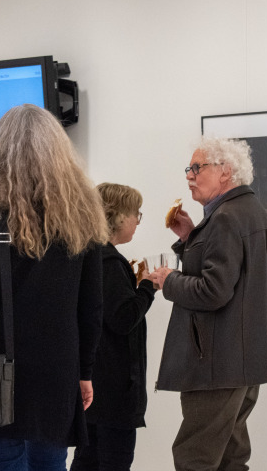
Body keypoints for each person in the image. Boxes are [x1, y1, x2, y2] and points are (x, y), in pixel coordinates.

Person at [0, 104, 109, 471]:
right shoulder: (82, 208)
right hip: (57, 368)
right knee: (50, 463)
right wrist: (84, 370)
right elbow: (91, 304)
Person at [150, 136, 267, 471]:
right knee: (231, 458)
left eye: (197, 167)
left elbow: (213, 291)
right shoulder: (252, 211)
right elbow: (233, 277)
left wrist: (168, 280)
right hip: (243, 362)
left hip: (215, 364)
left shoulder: (225, 217)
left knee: (195, 458)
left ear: (226, 172)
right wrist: (191, 238)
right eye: (188, 169)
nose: (189, 175)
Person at [70, 183, 157, 471]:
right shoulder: (109, 262)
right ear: (118, 216)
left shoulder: (86, 254)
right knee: (112, 462)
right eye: (136, 214)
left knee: (87, 460)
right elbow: (123, 318)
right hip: (114, 390)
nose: (137, 221)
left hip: (93, 384)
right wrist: (147, 286)